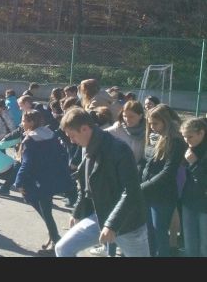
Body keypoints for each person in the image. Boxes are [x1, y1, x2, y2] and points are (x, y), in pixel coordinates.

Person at [54, 107, 150, 257]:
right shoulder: (87, 147)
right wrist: (78, 211)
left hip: (128, 223)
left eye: (72, 136)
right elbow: (85, 185)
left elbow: (131, 191)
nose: (71, 141)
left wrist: (112, 225)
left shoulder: (119, 149)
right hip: (100, 216)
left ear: (85, 129)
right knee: (63, 248)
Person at [14, 110, 73, 255]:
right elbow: (63, 154)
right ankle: (53, 237)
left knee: (44, 211)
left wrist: (18, 182)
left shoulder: (30, 140)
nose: (22, 123)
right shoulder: (50, 135)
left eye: (24, 120)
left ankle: (57, 241)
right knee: (46, 211)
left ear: (31, 122)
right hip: (51, 178)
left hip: (36, 181)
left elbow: (26, 163)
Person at [141, 104, 185, 257]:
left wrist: (143, 186)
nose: (152, 127)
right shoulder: (157, 137)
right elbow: (148, 163)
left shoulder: (176, 141)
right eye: (150, 124)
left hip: (163, 194)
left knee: (159, 232)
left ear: (165, 122)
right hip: (149, 192)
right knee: (149, 232)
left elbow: (168, 172)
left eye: (155, 123)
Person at [179, 117, 207, 257]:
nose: (187, 140)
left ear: (201, 133)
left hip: (204, 203)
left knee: (204, 246)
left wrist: (194, 163)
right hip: (189, 200)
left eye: (190, 136)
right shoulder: (188, 148)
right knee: (189, 244)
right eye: (184, 136)